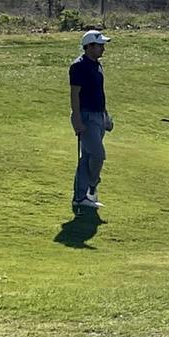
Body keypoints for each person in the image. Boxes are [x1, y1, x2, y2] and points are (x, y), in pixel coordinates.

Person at [69, 30, 113, 210]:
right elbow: (75, 94)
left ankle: (81, 197)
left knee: (87, 157)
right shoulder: (78, 66)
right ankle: (92, 186)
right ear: (89, 47)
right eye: (100, 45)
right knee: (97, 155)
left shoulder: (97, 65)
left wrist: (106, 116)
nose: (103, 48)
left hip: (98, 115)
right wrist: (77, 119)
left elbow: (99, 94)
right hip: (85, 116)